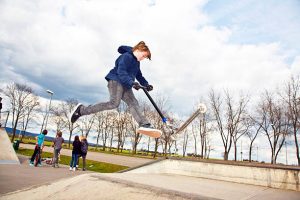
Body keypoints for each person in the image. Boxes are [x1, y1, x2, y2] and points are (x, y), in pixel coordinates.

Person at [70, 41, 157, 134]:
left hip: (126, 85)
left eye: (145, 57)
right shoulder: (126, 56)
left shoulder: (137, 63)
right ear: (138, 50)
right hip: (116, 81)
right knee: (114, 103)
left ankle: (144, 124)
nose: (143, 58)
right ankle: (81, 110)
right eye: (143, 56)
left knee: (133, 102)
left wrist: (146, 84)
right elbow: (121, 71)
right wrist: (132, 83)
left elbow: (139, 76)